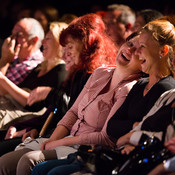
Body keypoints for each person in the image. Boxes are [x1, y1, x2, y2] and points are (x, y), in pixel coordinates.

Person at [0, 14, 144, 175]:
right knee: (5, 162)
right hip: (63, 139)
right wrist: (51, 140)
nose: (129, 50)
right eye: (129, 43)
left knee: (28, 161)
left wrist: (58, 141)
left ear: (86, 48)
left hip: (84, 148)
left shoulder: (128, 89)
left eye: (69, 47)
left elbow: (105, 137)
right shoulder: (100, 72)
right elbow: (72, 112)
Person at [30, 19, 175, 175]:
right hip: (99, 150)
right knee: (39, 167)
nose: (137, 52)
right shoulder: (140, 84)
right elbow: (113, 125)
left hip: (116, 156)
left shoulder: (164, 88)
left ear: (163, 51)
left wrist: (131, 131)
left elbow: (128, 134)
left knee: (47, 170)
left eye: (142, 46)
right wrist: (134, 127)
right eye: (133, 45)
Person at [0, 22, 68, 129]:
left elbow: (33, 104)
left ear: (59, 43)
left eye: (48, 39)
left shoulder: (61, 71)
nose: (42, 42)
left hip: (26, 116)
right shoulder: (41, 67)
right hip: (12, 107)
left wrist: (2, 78)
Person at [0, 17, 44, 86]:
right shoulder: (14, 58)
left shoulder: (34, 65)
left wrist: (4, 60)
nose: (12, 39)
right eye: (12, 34)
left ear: (34, 40)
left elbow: (1, 90)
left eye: (18, 35)